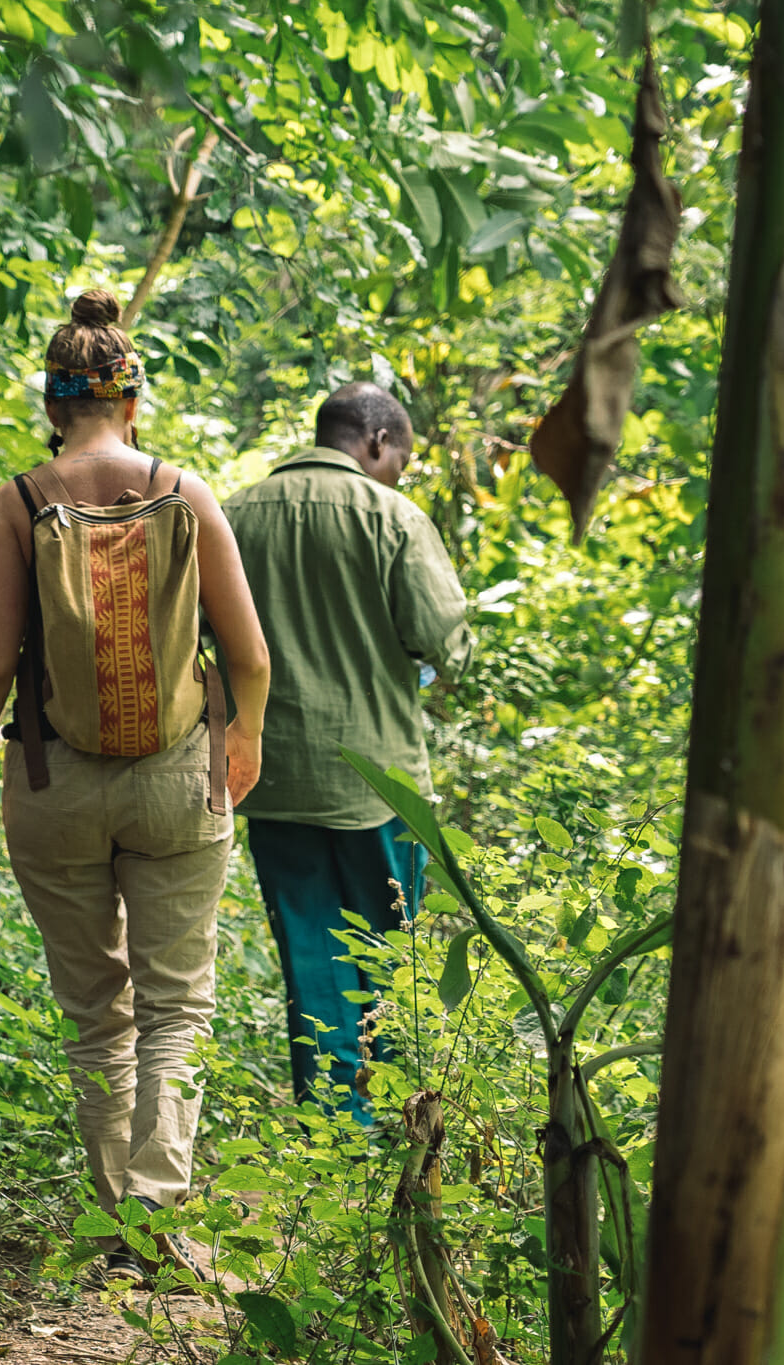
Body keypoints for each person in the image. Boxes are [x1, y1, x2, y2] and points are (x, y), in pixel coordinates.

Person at [0, 289, 271, 1284]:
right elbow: (246, 654)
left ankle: (114, 1226)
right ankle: (154, 1212)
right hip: (178, 779)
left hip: (53, 780)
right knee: (177, 1006)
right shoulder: (185, 493)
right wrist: (242, 736)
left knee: (97, 1008)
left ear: (52, 405)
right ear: (131, 401)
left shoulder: (18, 500)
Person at [223, 382, 472, 1117]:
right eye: (402, 457)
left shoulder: (233, 515)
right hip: (380, 783)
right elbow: (446, 642)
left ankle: (333, 1134)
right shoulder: (395, 517)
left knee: (311, 961)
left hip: (274, 779)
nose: (398, 473)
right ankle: (401, 1124)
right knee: (393, 962)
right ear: (374, 442)